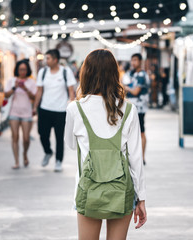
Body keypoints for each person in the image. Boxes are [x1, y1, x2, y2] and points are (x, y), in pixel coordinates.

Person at [65, 49, 146, 240]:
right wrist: (141, 198)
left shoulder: (74, 109)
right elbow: (136, 158)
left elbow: (70, 144)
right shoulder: (128, 110)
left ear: (85, 73)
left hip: (88, 190)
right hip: (121, 190)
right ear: (114, 74)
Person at [33, 49, 76, 172]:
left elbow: (71, 91)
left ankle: (58, 161)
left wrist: (72, 107)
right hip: (45, 109)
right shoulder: (43, 72)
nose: (46, 61)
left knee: (59, 137)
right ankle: (48, 151)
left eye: (48, 58)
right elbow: (39, 91)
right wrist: (35, 107)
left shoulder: (65, 72)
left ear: (55, 60)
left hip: (60, 111)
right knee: (42, 134)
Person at [4, 60, 37, 169]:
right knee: (15, 137)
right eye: (20, 69)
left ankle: (25, 154)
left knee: (26, 138)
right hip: (14, 112)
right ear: (17, 70)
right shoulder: (12, 81)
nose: (22, 72)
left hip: (26, 113)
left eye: (24, 69)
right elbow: (6, 95)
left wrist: (25, 89)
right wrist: (15, 87)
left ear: (27, 70)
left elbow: (34, 97)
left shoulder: (31, 82)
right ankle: (17, 161)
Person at [123, 53, 150, 165]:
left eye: (135, 60)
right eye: (132, 60)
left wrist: (124, 87)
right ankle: (134, 156)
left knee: (141, 132)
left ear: (140, 61)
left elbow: (135, 91)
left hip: (139, 108)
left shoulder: (142, 75)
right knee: (129, 132)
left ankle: (142, 157)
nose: (133, 63)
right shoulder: (130, 74)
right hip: (129, 107)